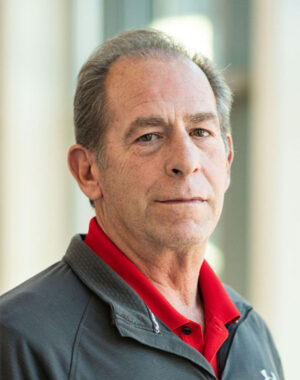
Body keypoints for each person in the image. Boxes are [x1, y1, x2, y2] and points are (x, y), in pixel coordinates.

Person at [0, 29, 283, 380]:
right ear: (88, 171)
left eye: (200, 132)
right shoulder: (19, 340)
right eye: (149, 136)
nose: (185, 160)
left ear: (226, 159)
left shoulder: (252, 334)